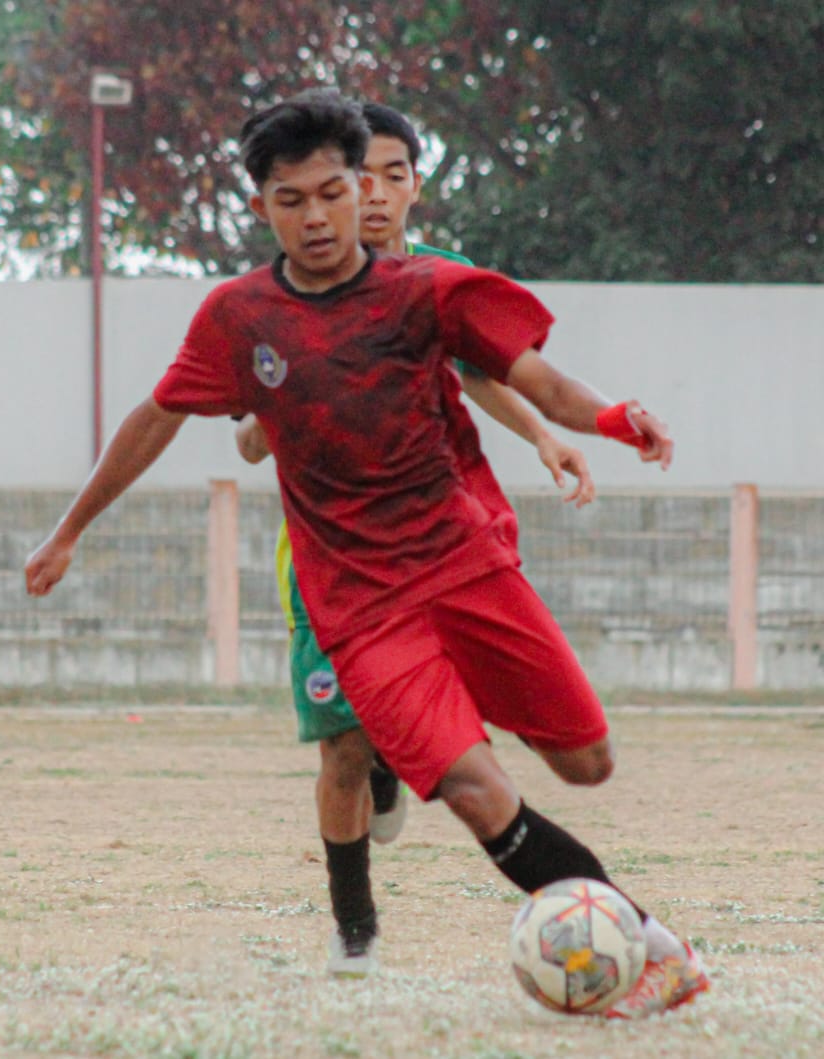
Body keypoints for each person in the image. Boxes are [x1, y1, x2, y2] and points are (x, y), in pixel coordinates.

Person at [24, 90, 707, 1017]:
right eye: (291, 198)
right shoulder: (239, 317)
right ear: (262, 206)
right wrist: (69, 529)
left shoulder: (426, 291)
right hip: (358, 606)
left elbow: (534, 377)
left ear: (365, 190)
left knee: (589, 763)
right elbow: (155, 419)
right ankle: (651, 944)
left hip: (466, 567)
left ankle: (434, 743)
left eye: (333, 192)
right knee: (474, 787)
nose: (317, 216)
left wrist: (615, 419)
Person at [232, 101, 596, 977]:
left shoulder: (438, 281)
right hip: (333, 564)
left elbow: (487, 374)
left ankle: (420, 754)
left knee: (465, 708)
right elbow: (248, 431)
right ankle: (354, 926)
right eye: (367, 178)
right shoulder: (282, 298)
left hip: (442, 544)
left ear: (411, 188)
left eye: (395, 177)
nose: (378, 194)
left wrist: (546, 435)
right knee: (343, 749)